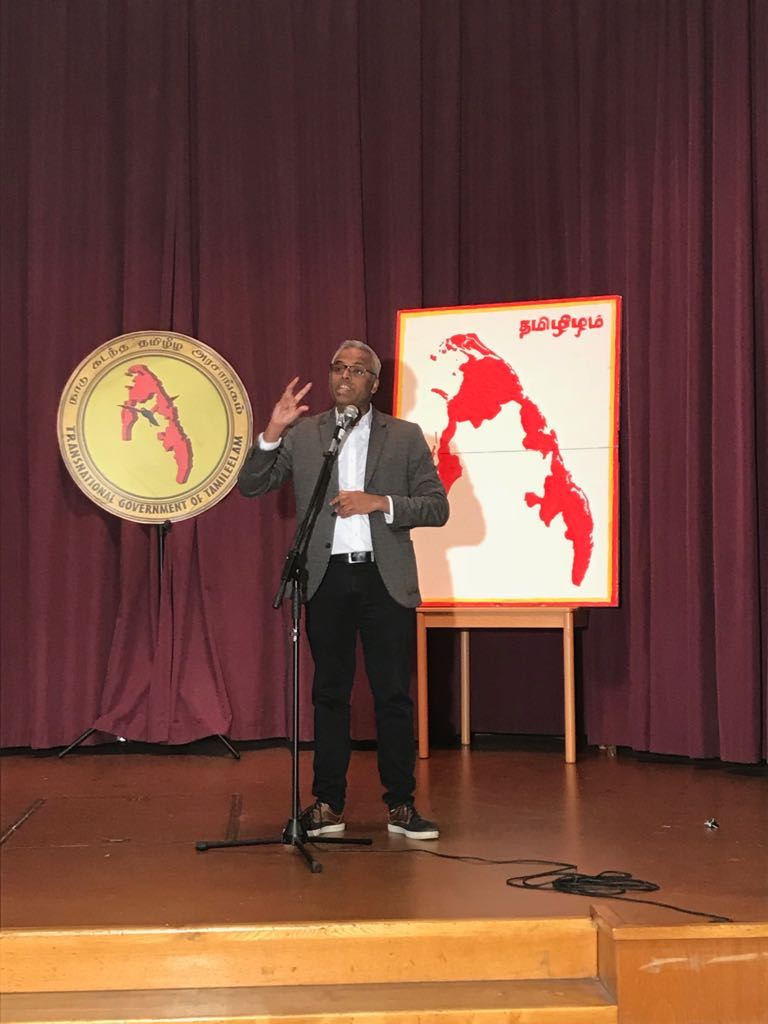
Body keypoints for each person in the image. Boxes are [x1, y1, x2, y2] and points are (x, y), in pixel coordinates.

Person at [238, 340, 449, 839]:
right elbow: (252, 485)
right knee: (329, 693)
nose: (345, 377)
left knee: (392, 694)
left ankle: (401, 805)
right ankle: (328, 804)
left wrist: (381, 502)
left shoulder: (405, 436)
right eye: (338, 368)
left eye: (357, 370)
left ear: (374, 383)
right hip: (326, 577)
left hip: (384, 579)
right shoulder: (306, 434)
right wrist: (272, 431)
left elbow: (437, 506)